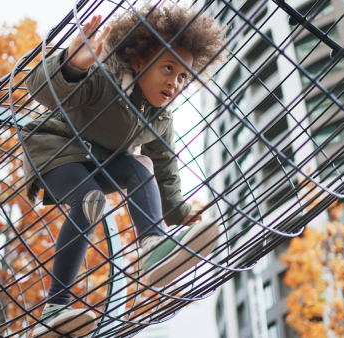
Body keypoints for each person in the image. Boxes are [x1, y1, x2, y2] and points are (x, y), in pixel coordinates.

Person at [21, 2, 226, 337]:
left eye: (183, 77)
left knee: (141, 163)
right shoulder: (104, 77)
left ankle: (154, 248)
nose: (175, 83)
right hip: (55, 150)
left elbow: (163, 167)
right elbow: (43, 90)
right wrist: (72, 64)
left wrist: (180, 211)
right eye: (168, 69)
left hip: (97, 161)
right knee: (90, 200)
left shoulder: (160, 118)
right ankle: (55, 308)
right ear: (138, 60)